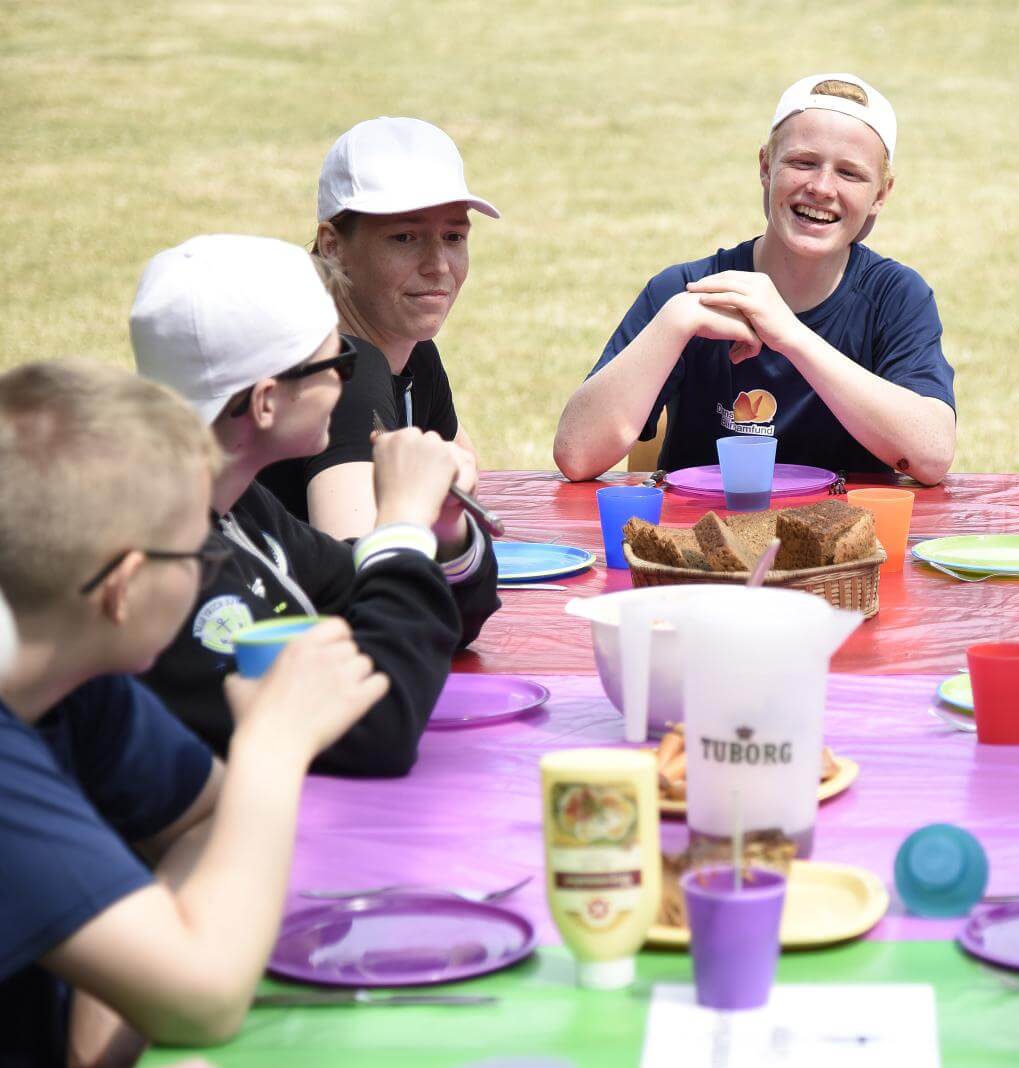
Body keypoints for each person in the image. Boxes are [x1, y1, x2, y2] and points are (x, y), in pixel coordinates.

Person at [0, 361, 388, 1065]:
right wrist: (271, 745)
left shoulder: (75, 678)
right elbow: (206, 999)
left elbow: (204, 817)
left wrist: (116, 1010)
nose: (209, 572)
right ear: (123, 587)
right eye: (196, 556)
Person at [132, 234, 500, 777]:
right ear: (264, 401)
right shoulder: (160, 569)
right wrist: (400, 522)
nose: (347, 382)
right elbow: (380, 728)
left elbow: (403, 609)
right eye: (339, 364)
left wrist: (441, 529)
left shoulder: (236, 506)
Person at [553, 73, 957, 484]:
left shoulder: (896, 297)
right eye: (802, 162)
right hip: (702, 539)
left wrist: (791, 336)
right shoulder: (688, 290)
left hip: (849, 544)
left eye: (850, 174)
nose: (821, 187)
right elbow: (576, 456)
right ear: (766, 166)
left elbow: (931, 455)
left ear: (881, 194)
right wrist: (675, 322)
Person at [256, 116, 499, 537]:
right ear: (332, 246)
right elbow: (363, 565)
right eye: (404, 238)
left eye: (454, 237)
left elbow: (467, 493)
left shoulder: (415, 354)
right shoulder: (337, 369)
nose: (438, 266)